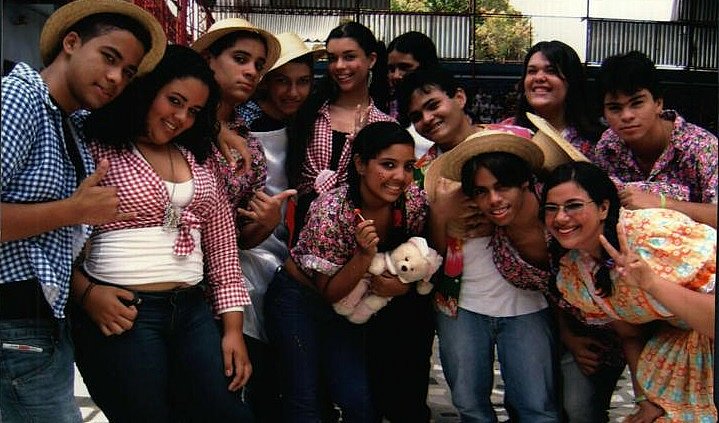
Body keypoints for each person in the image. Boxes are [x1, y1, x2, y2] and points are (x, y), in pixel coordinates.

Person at [70, 45, 253, 422]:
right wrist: (86, 293)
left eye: (195, 111)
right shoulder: (95, 143)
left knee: (226, 413)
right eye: (174, 100)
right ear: (146, 90)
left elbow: (222, 247)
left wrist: (233, 329)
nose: (181, 118)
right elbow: (57, 238)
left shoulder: (198, 156)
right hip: (124, 312)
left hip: (192, 310)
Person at [0, 1, 165, 421]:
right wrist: (73, 211)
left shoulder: (69, 121)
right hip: (13, 320)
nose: (115, 78)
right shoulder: (20, 99)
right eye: (109, 57)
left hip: (41, 320)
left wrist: (221, 130)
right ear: (71, 42)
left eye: (128, 72)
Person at [265, 121, 427, 421]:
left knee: (358, 401)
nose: (400, 177)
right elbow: (329, 293)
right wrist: (364, 256)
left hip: (351, 307)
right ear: (361, 164)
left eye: (408, 167)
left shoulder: (411, 203)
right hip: (299, 300)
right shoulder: (331, 210)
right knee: (305, 400)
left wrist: (401, 285)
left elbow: (420, 258)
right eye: (388, 165)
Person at [542, 161, 716, 422]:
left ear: (603, 208)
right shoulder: (578, 270)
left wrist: (651, 283)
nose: (560, 218)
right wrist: (645, 400)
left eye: (573, 206)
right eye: (551, 208)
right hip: (682, 352)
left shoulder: (653, 235)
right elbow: (631, 335)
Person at [428, 126, 561, 422]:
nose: (494, 199)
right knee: (469, 404)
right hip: (461, 309)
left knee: (536, 406)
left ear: (524, 183)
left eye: (502, 187)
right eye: (481, 191)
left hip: (528, 309)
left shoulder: (549, 210)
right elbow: (437, 258)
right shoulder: (455, 208)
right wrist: (440, 213)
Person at [236, 31, 323, 420]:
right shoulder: (243, 125)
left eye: (303, 82)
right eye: (283, 81)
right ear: (266, 82)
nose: (293, 92)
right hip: (249, 252)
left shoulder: (307, 123)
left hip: (290, 255)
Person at [289, 21, 393, 240]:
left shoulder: (385, 126)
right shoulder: (309, 112)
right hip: (303, 231)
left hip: (358, 235)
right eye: (332, 58)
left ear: (371, 60)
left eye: (349, 57)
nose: (339, 66)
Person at [595, 50, 717, 228]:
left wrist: (663, 203)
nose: (627, 115)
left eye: (637, 103)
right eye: (615, 108)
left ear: (658, 103)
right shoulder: (607, 147)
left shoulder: (701, 147)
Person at [508, 40, 602, 162]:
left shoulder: (599, 143)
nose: (539, 78)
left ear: (572, 81)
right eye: (532, 71)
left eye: (551, 71)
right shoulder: (505, 134)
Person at [386, 31, 439, 158]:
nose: (396, 75)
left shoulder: (445, 110)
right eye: (391, 69)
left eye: (404, 67)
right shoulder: (384, 111)